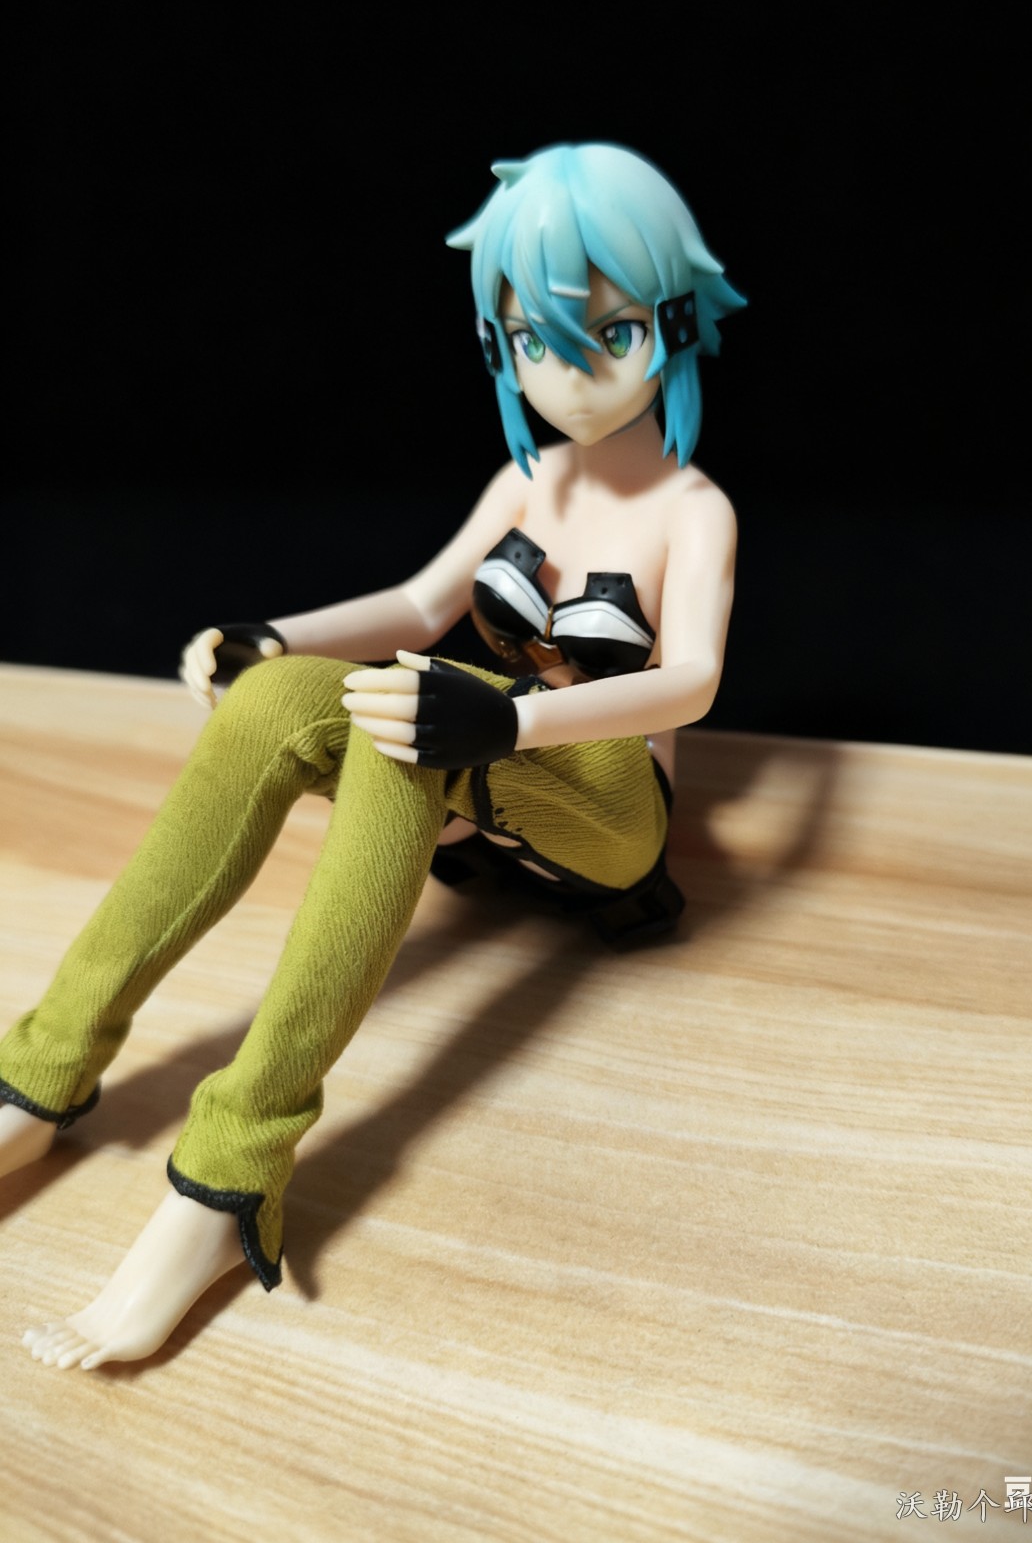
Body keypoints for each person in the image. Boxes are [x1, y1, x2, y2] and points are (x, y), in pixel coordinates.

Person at [0, 142, 743, 1369]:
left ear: (672, 322)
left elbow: (695, 681)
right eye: (536, 340)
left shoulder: (693, 510)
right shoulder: (525, 483)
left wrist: (509, 719)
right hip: (490, 767)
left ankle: (225, 1181)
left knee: (414, 720)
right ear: (499, 345)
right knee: (277, 703)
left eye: (609, 333)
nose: (570, 374)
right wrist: (274, 639)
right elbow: (417, 602)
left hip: (614, 809)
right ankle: (38, 1074)